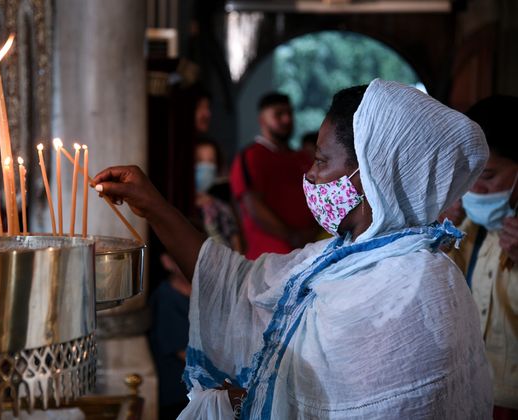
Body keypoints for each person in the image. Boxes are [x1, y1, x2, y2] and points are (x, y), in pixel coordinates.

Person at [93, 80, 492, 418]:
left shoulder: (414, 284)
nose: (311, 175)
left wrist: (248, 401)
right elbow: (238, 286)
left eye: (321, 160)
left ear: (370, 172)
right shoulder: (340, 257)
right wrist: (153, 206)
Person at [447, 95, 518, 419]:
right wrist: (443, 235)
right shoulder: (470, 230)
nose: (475, 189)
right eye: (469, 175)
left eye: (488, 176)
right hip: (473, 395)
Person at [230, 92, 317, 259]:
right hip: (271, 256)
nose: (287, 119)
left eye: (289, 113)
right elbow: (252, 205)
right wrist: (292, 236)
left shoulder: (303, 157)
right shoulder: (250, 156)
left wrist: (312, 232)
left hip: (310, 249)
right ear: (262, 119)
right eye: (279, 114)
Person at [149, 252, 192, 419]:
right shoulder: (167, 298)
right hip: (178, 398)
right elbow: (185, 354)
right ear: (167, 262)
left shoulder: (202, 295)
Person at [194, 139, 242, 251]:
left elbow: (236, 243)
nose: (205, 166)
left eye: (210, 161)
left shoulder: (221, 207)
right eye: (200, 160)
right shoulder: (177, 205)